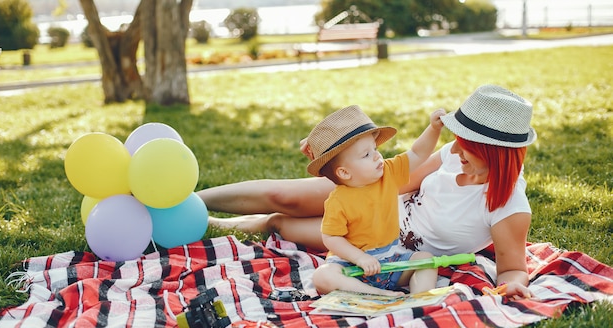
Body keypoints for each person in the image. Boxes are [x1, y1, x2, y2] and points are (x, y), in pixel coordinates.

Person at [199, 84, 536, 299]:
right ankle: (195, 201)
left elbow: (511, 268)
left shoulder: (509, 206)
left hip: (382, 247)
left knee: (281, 224)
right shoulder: (453, 155)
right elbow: (405, 177)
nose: (457, 150)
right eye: (458, 140)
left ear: (495, 152)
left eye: (468, 146)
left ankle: (219, 223)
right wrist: (336, 161)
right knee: (285, 198)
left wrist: (514, 283)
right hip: (372, 199)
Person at [303, 105, 444, 296]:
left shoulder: (388, 173)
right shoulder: (338, 201)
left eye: (375, 149)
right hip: (352, 267)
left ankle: (418, 299)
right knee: (322, 277)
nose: (377, 155)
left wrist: (433, 129)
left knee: (426, 260)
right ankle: (377, 294)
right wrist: (359, 258)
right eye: (366, 154)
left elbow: (418, 154)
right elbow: (331, 237)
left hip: (390, 262)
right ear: (344, 172)